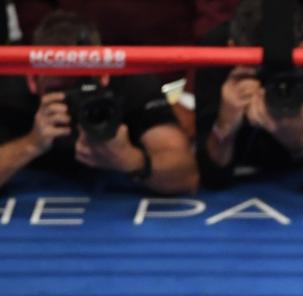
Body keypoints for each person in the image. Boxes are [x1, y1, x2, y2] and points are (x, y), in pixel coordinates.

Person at [0, 10, 198, 193]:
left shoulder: (131, 83)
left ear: (104, 74)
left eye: (82, 85)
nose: (71, 99)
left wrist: (131, 160)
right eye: (57, 89)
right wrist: (31, 144)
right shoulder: (9, 91)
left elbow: (187, 175)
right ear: (32, 80)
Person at [194, 0, 303, 191]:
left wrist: (300, 141)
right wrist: (224, 129)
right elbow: (208, 178)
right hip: (240, 182)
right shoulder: (215, 54)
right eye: (256, 70)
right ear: (232, 48)